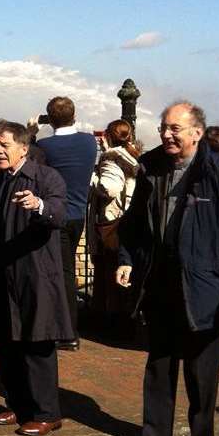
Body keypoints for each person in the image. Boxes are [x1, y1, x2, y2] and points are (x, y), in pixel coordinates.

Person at [115, 101, 219, 436]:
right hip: (160, 283)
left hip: (206, 287)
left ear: (197, 133)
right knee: (159, 367)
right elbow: (134, 221)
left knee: (202, 374)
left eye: (175, 129)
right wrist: (126, 258)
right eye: (164, 127)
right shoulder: (152, 166)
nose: (167, 134)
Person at [0, 121, 73, 436]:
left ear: (23, 147)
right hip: (3, 277)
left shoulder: (46, 177)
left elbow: (60, 213)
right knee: (8, 344)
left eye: (4, 145)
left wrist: (39, 205)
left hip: (36, 277)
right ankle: (18, 405)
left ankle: (47, 412)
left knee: (37, 344)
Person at [35, 97, 98, 350]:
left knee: (60, 273)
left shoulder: (44, 145)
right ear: (74, 115)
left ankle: (67, 332)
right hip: (77, 215)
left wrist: (31, 133)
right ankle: (65, 328)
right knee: (66, 269)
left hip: (55, 215)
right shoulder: (89, 141)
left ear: (49, 119)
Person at [88, 120, 140, 327]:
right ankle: (124, 319)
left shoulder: (111, 160)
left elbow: (109, 188)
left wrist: (91, 177)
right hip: (126, 219)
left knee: (108, 272)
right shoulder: (131, 157)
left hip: (111, 221)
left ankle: (110, 320)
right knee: (121, 271)